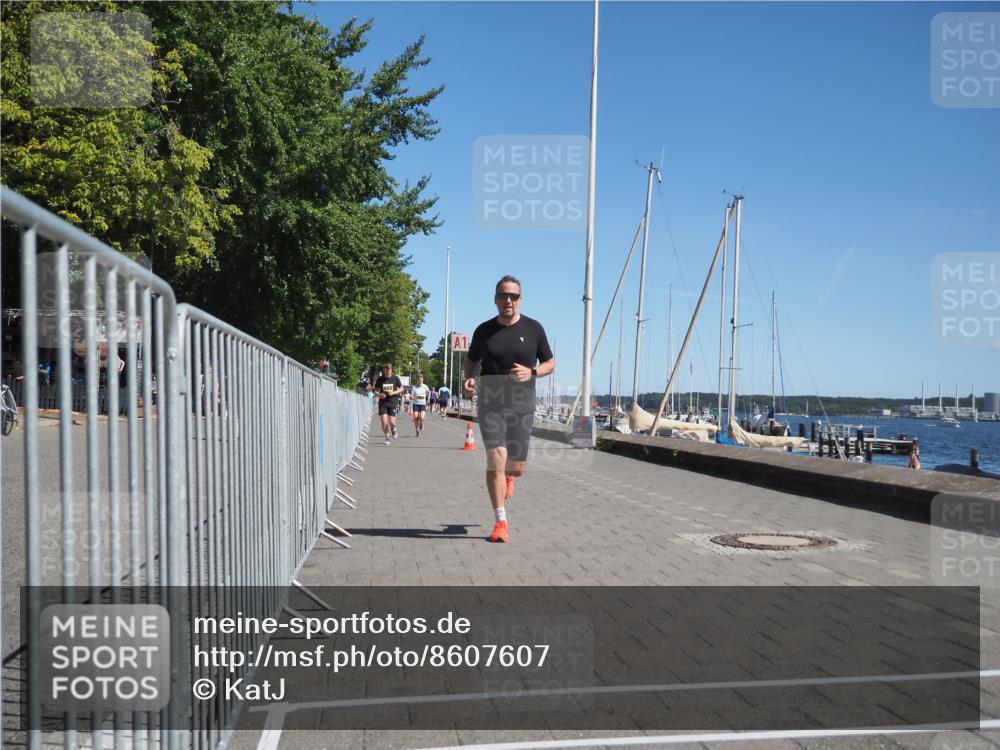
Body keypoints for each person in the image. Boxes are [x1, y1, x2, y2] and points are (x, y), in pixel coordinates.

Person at [463, 275, 555, 543]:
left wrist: (532, 372)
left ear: (520, 300)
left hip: (522, 404)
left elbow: (550, 363)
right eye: (503, 295)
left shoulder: (534, 328)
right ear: (495, 299)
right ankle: (500, 521)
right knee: (496, 457)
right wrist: (469, 378)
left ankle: (510, 477)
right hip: (491, 402)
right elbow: (471, 360)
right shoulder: (484, 330)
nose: (508, 300)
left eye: (513, 296)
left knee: (516, 468)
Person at [371, 363, 403, 444]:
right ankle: (387, 438)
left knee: (392, 421)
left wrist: (393, 392)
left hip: (392, 401)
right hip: (383, 402)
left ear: (391, 371)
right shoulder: (380, 379)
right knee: (384, 421)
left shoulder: (395, 378)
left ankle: (394, 429)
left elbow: (402, 388)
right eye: (387, 372)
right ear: (384, 371)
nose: (388, 373)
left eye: (390, 372)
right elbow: (375, 390)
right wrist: (380, 395)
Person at [410, 373, 430, 437]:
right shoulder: (414, 387)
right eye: (419, 380)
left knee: (422, 418)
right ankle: (417, 430)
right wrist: (411, 396)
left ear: (423, 380)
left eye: (421, 380)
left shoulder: (425, 386)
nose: (420, 382)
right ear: (417, 380)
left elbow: (429, 392)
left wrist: (428, 399)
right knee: (416, 417)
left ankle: (421, 423)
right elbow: (412, 394)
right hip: (416, 404)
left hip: (423, 404)